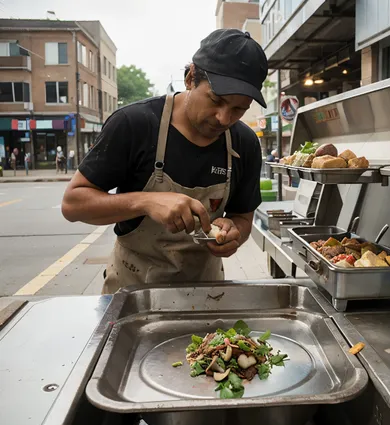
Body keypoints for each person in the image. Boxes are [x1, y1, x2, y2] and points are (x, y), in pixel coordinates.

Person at [62, 29, 268, 294]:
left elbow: (243, 217)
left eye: (239, 109)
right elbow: (73, 204)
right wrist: (145, 202)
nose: (224, 118)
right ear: (190, 77)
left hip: (206, 293)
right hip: (132, 289)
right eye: (216, 100)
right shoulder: (133, 124)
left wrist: (233, 233)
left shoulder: (245, 144)